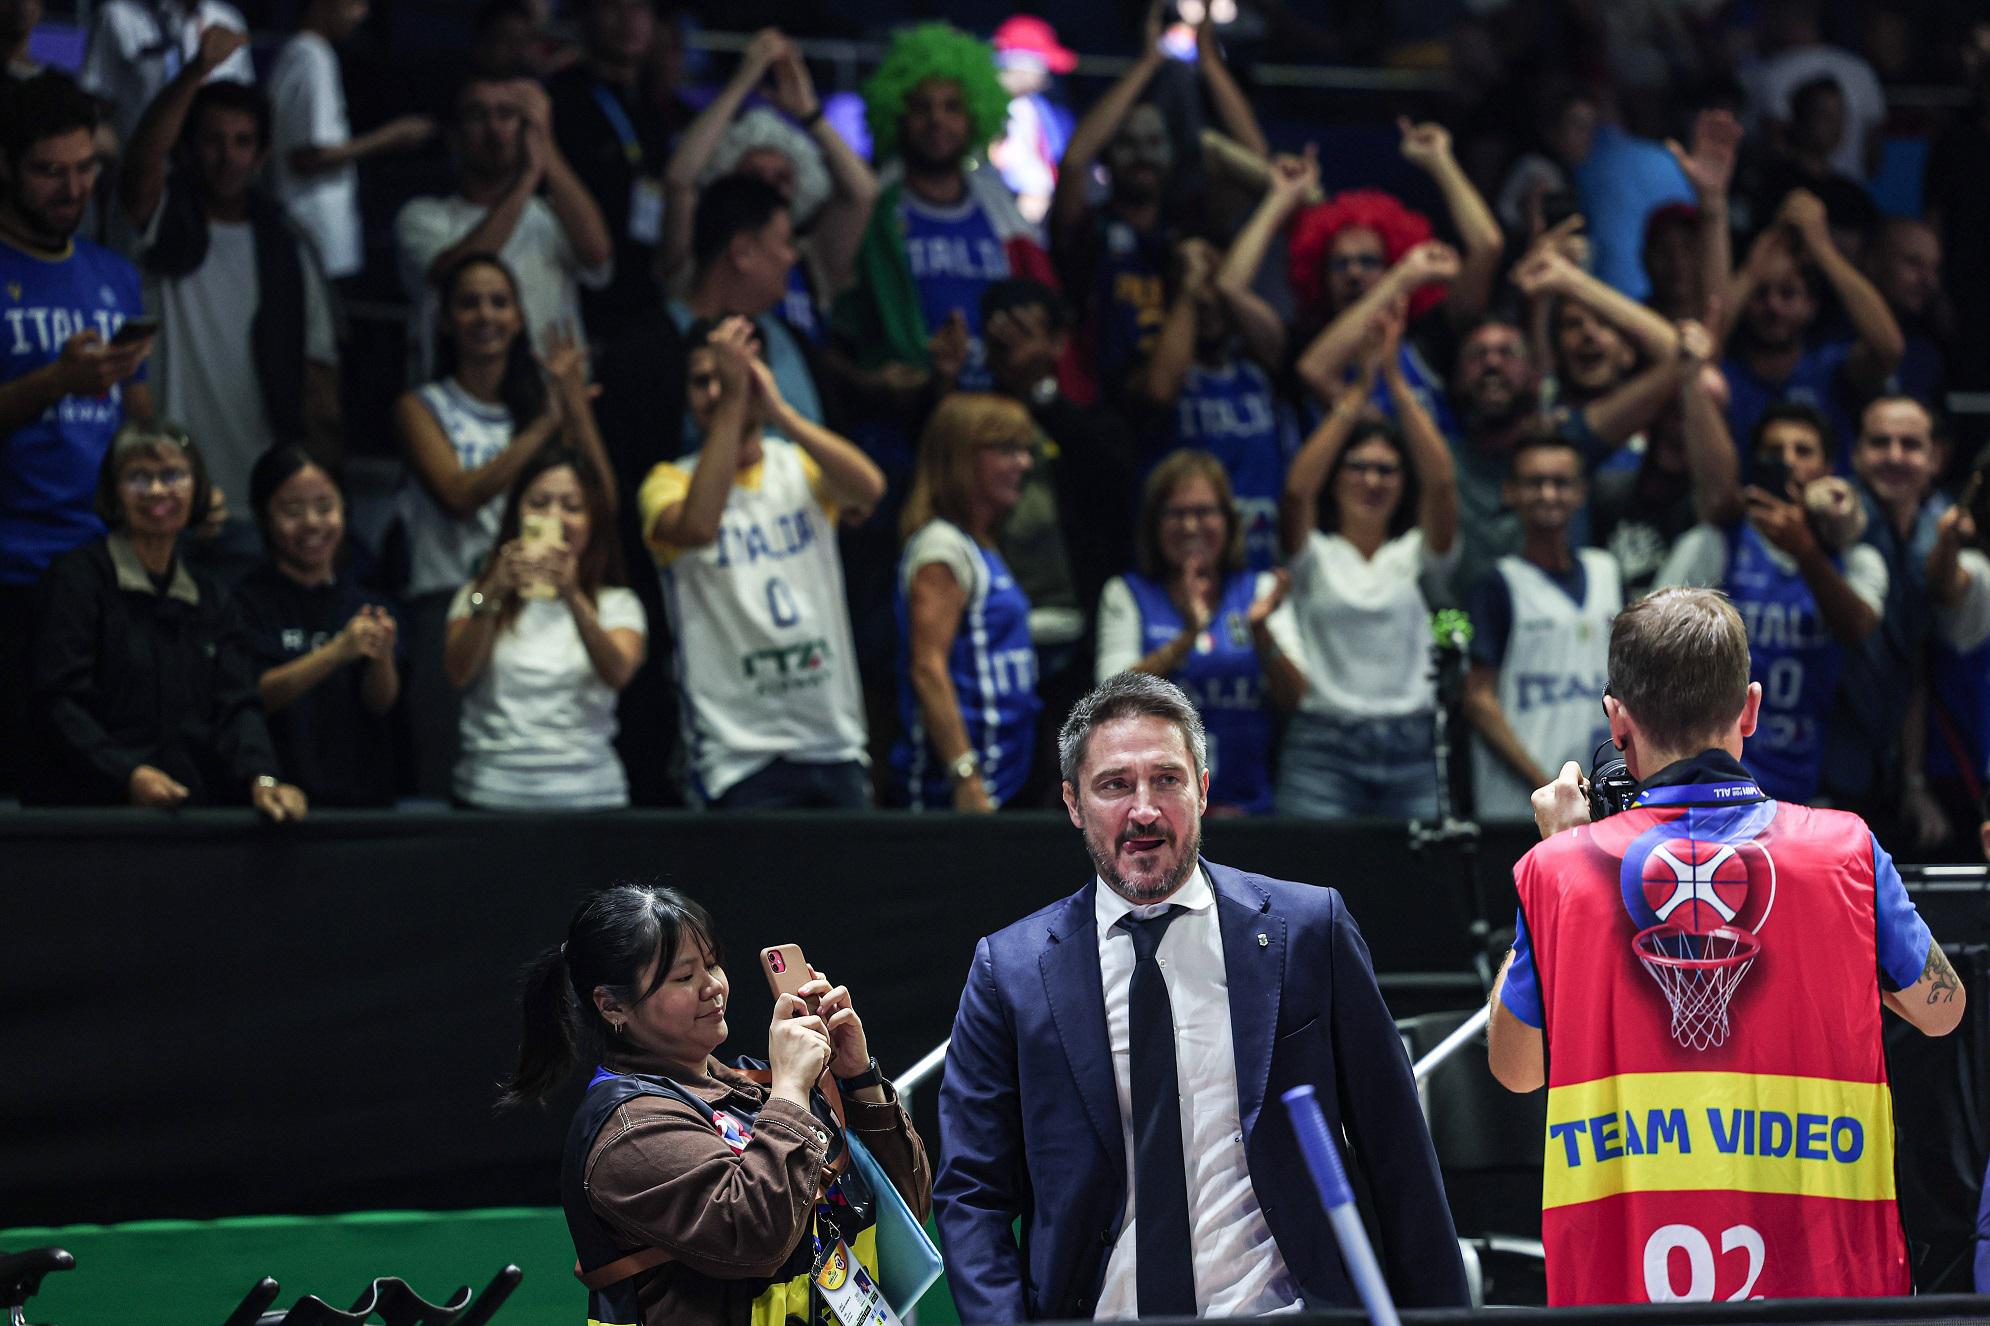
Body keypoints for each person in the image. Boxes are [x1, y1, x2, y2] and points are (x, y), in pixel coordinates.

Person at [935, 672, 1469, 1321]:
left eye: (1166, 779)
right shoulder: (1010, 971)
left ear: (1203, 788)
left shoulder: (1308, 931)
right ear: (1073, 802)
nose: (1143, 810)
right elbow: (975, 1196)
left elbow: (1399, 1155)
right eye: (1114, 785)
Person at [1487, 586, 1963, 1304]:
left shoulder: (1563, 870)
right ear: (1750, 708)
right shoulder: (1847, 853)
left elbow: (1515, 1069)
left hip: (1626, 1294)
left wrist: (1559, 856)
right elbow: (1943, 1010)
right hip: (1829, 1292)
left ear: (1617, 720)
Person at [503, 883, 931, 1326]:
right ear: (612, 1005)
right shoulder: (631, 1132)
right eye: (683, 977)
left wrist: (858, 1077)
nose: (712, 987)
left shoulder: (761, 1088)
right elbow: (756, 1239)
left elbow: (910, 1209)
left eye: (712, 965)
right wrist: (791, 1089)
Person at [639, 316, 883, 810]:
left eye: (726, 377)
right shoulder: (667, 482)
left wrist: (780, 411)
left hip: (831, 738)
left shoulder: (797, 464)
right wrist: (735, 401)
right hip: (737, 755)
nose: (715, 391)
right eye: (701, 381)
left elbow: (869, 489)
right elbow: (699, 527)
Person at [121, 49, 342, 582]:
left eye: (243, 142)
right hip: (160, 493)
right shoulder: (159, 225)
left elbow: (318, 378)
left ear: (263, 154)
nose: (229, 157)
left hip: (257, 497)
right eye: (214, 141)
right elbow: (141, 166)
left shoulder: (286, 248)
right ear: (190, 150)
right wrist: (195, 72)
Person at [394, 253, 606, 796]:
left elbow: (601, 499)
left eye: (498, 302)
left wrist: (573, 410)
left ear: (518, 319)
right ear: (444, 321)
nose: (484, 315)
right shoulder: (423, 405)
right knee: (441, 765)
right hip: (446, 595)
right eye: (468, 303)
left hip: (528, 604)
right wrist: (546, 427)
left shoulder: (533, 411)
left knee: (515, 767)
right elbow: (458, 495)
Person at [0, 72, 155, 791]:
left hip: (97, 572)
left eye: (85, 168)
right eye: (49, 172)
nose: (72, 188)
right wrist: (54, 384)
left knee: (89, 786)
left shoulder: (113, 276)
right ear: (6, 166)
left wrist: (174, 475)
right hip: (10, 566)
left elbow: (137, 415)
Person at [29, 424, 307, 819]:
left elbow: (237, 706)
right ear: (114, 492)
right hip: (89, 816)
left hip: (190, 813)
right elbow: (59, 702)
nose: (158, 491)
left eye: (172, 475)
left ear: (197, 488)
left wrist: (262, 778)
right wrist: (127, 773)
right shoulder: (77, 580)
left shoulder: (211, 597)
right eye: (139, 477)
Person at [1276, 316, 1459, 819]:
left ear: (1403, 484)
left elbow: (1442, 483)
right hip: (1323, 747)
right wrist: (1357, 394)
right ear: (1337, 479)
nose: (1372, 480)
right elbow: (1296, 490)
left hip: (1413, 748)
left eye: (1387, 469)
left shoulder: (1417, 554)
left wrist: (1397, 385)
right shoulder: (1312, 553)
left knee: (1414, 894)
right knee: (1306, 889)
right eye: (1358, 467)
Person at [1659, 402, 1886, 803]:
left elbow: (1858, 628)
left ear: (1829, 469)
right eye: (1773, 452)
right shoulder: (1716, 543)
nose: (1788, 461)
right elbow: (1655, 637)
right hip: (1718, 774)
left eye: (1803, 451)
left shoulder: (1856, 558)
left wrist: (1807, 552)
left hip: (1816, 775)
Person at [1049, 4, 1267, 394]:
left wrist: (1210, 61)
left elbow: (1258, 167)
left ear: (1173, 154)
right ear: (1109, 158)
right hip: (1105, 406)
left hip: (1183, 402)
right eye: (1127, 144)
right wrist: (1148, 62)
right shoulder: (1087, 229)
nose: (1142, 155)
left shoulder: (1187, 226)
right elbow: (1075, 160)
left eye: (1154, 143)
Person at [833, 22, 1056, 401]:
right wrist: (870, 382)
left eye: (952, 106)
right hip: (903, 427)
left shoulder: (1002, 213)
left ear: (975, 117)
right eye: (921, 107)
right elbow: (833, 332)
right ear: (897, 114)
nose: (937, 120)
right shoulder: (873, 213)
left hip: (997, 415)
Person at [1127, 150, 1317, 570]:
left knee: (1451, 627)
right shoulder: (1155, 368)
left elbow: (1241, 300)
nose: (1208, 295)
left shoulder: (1259, 367)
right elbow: (1159, 391)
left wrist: (1279, 198)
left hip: (1263, 567)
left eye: (1216, 278)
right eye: (1192, 281)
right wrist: (1190, 289)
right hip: (1180, 571)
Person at [1096, 451, 1303, 816]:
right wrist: (1188, 636)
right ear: (1154, 524)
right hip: (1152, 813)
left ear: (1227, 520)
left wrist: (1260, 632)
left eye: (1205, 512)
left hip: (1249, 808)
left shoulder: (1260, 590)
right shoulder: (1126, 593)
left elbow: (1297, 697)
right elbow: (1109, 702)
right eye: (1176, 514)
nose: (1191, 526)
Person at [445, 446, 644, 810]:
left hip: (589, 796)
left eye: (572, 507)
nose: (555, 518)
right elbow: (458, 672)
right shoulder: (476, 595)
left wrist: (572, 596)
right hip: (488, 793)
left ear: (592, 521)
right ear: (517, 514)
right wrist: (491, 593)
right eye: (539, 503)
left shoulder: (618, 604)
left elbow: (617, 672)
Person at [658, 27, 876, 345]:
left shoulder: (809, 257)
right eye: (753, 176)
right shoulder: (699, 257)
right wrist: (742, 82)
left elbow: (863, 193)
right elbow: (680, 179)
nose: (768, 188)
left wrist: (809, 112)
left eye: (781, 178)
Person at [395, 71, 611, 382]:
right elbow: (456, 275)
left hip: (553, 401)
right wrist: (527, 179)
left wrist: (545, 146)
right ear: (454, 135)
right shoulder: (421, 216)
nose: (494, 129)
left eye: (507, 115)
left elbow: (598, 256)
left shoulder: (550, 214)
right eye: (478, 115)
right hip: (456, 410)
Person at [891, 393, 1041, 812]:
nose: (1024, 464)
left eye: (1026, 450)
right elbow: (927, 667)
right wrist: (965, 775)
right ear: (962, 458)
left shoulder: (981, 546)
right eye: (1008, 450)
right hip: (957, 795)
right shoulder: (942, 548)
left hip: (1000, 783)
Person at [232, 446, 399, 808]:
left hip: (362, 801)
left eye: (325, 507)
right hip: (278, 799)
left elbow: (381, 702)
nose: (312, 523)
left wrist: (381, 657)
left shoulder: (367, 603)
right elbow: (254, 695)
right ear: (264, 517)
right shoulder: (244, 602)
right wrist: (335, 652)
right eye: (292, 511)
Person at [1464, 436, 1621, 821]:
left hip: (1601, 795)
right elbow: (1478, 699)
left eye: (1561, 482)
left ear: (1581, 493)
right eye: (1534, 483)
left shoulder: (1607, 571)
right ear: (1510, 492)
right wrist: (1548, 782)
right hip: (1518, 803)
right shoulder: (1497, 585)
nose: (1548, 494)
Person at [1720, 188, 1902, 459]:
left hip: (1830, 498)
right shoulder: (1725, 372)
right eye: (1760, 294)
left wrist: (1822, 248)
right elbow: (1697, 349)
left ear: (1812, 305)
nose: (1774, 307)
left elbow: (1889, 350)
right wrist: (1751, 273)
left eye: (1788, 293)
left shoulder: (1831, 367)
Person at [269, 0, 436, 284]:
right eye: (355, 2)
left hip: (309, 233)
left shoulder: (303, 53)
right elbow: (308, 157)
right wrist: (393, 136)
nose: (362, 13)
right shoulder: (312, 56)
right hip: (314, 234)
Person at [543, 0, 674, 342]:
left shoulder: (657, 102)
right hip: (578, 279)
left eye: (641, 9)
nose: (629, 20)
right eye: (614, 6)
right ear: (588, 15)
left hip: (646, 284)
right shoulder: (561, 98)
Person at [79, 0, 253, 148]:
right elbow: (96, 106)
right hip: (139, 163)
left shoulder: (229, 20)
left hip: (207, 170)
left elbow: (243, 107)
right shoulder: (117, 16)